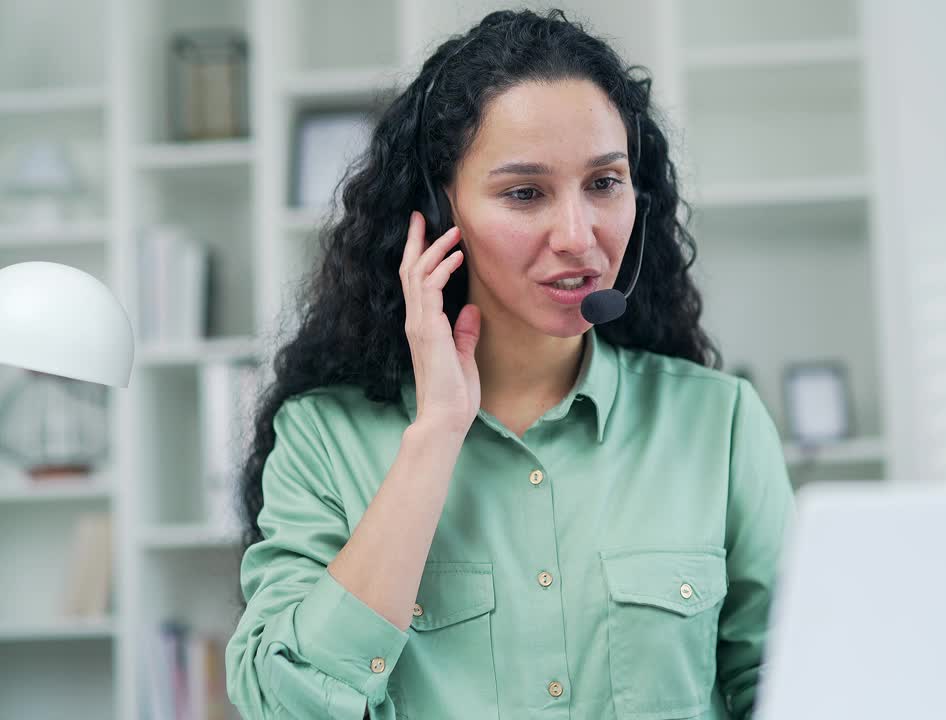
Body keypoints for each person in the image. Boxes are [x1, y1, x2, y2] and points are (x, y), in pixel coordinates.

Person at [225, 8, 794, 719]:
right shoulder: (322, 437)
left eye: (604, 183)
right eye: (525, 193)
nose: (578, 236)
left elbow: (789, 687)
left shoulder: (722, 423)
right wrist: (434, 438)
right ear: (438, 210)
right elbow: (284, 705)